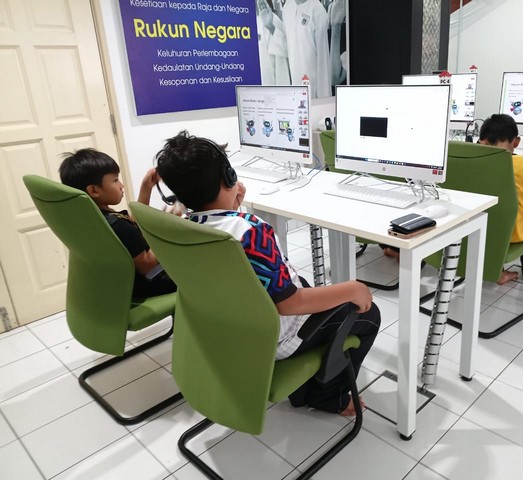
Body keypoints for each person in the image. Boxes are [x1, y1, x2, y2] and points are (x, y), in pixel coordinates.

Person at [155, 130, 380, 416]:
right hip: (275, 338)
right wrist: (354, 288)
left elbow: (228, 240)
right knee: (368, 314)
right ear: (228, 176)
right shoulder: (251, 230)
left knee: (306, 283)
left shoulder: (186, 226)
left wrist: (232, 208)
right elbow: (290, 304)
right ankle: (329, 396)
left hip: (233, 329)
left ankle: (304, 389)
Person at [59, 148, 176, 299]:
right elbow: (147, 265)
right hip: (146, 286)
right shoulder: (117, 225)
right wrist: (166, 231)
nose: (121, 185)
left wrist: (146, 187)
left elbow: (132, 230)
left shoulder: (96, 219)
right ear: (94, 190)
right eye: (115, 180)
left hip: (117, 288)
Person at [478, 114, 523, 285]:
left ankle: (496, 270)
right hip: (514, 234)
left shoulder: (470, 161)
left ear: (481, 141)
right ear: (516, 142)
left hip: (475, 230)